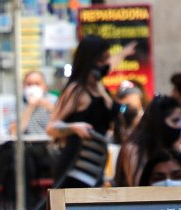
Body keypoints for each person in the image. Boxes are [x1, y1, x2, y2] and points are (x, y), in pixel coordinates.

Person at [46, 35, 135, 187]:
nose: (107, 63)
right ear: (91, 61)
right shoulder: (76, 91)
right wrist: (74, 127)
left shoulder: (100, 88)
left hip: (96, 163)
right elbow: (51, 127)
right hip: (76, 165)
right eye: (103, 59)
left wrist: (124, 53)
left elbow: (110, 65)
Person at [114, 95, 181, 187]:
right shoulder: (133, 149)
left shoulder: (172, 145)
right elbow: (139, 188)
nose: (179, 126)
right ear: (159, 122)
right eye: (175, 121)